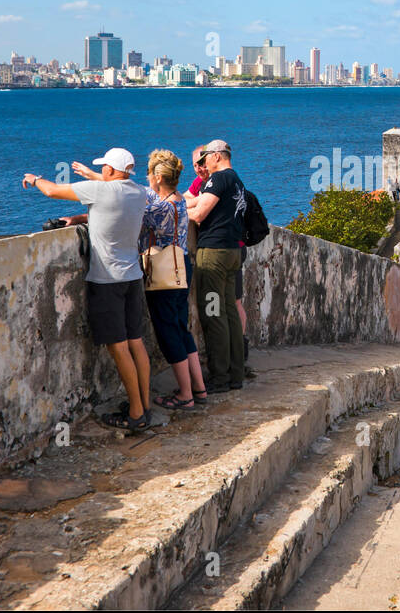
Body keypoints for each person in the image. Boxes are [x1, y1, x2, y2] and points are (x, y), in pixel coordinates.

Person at [23, 147, 154, 431]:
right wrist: (85, 207)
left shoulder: (100, 190)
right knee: (136, 342)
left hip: (107, 281)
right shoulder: (139, 192)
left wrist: (34, 179)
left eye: (103, 167)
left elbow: (53, 191)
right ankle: (145, 405)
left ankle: (135, 415)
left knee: (119, 348)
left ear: (109, 170)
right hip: (132, 276)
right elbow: (111, 198)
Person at [140, 150, 208, 411]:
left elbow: (135, 212)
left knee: (168, 332)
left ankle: (185, 396)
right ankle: (199, 389)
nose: (147, 177)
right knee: (182, 328)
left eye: (149, 173)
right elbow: (143, 192)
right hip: (182, 268)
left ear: (157, 176)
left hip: (164, 272)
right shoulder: (178, 200)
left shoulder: (158, 208)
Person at [189, 145, 254, 379]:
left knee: (212, 311)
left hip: (214, 255)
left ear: (216, 156)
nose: (203, 164)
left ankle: (219, 374)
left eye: (205, 159)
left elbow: (198, 214)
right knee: (229, 313)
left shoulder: (218, 179)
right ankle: (235, 372)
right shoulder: (236, 180)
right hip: (232, 253)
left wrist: (172, 213)